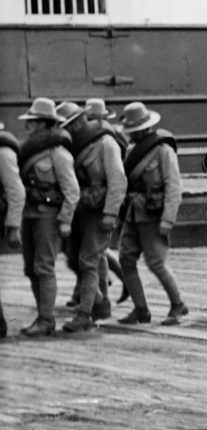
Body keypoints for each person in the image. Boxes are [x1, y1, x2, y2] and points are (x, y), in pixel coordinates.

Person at [112, 102, 187, 325]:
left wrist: (168, 218)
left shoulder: (163, 151)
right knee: (126, 259)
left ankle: (178, 305)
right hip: (132, 215)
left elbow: (174, 186)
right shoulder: (131, 151)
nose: (132, 135)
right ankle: (140, 309)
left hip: (154, 215)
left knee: (156, 263)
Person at [14, 98, 79, 337]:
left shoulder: (58, 153)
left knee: (43, 267)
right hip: (29, 214)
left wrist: (65, 221)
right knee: (31, 268)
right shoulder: (30, 149)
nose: (28, 125)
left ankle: (46, 319)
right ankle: (42, 316)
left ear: (44, 123)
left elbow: (72, 191)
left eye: (33, 121)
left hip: (49, 217)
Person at [63, 101, 125, 332]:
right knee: (94, 259)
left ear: (80, 121)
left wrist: (111, 213)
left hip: (100, 211)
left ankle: (84, 314)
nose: (67, 129)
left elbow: (118, 180)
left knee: (88, 260)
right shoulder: (73, 146)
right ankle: (102, 304)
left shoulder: (106, 143)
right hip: (83, 210)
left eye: (70, 124)